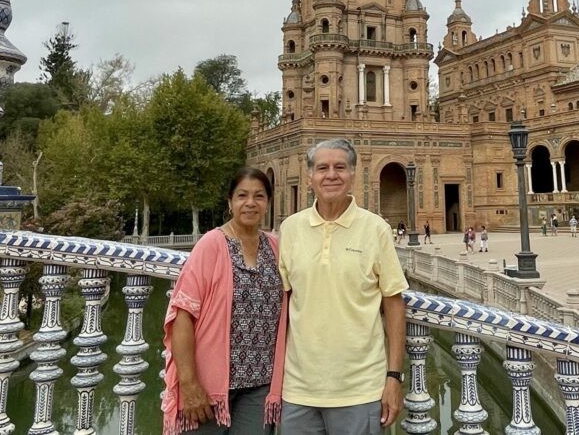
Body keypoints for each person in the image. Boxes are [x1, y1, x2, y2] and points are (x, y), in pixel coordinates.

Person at [278, 139, 407, 433]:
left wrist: (394, 377)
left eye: (340, 167)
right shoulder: (291, 229)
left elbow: (394, 303)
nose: (331, 175)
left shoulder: (376, 229)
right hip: (298, 389)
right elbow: (283, 301)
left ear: (353, 174)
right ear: (309, 176)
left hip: (360, 390)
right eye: (322, 168)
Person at [162, 167, 287, 435]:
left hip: (260, 386)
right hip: (210, 387)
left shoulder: (275, 248)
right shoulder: (212, 245)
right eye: (242, 196)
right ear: (230, 202)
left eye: (259, 196)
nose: (251, 203)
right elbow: (183, 314)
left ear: (268, 202)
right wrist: (189, 382)